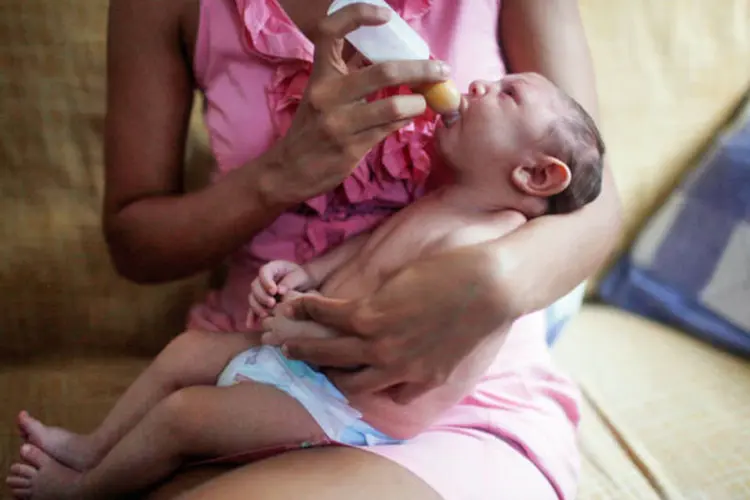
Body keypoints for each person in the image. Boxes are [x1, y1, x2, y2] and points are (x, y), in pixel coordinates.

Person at [7, 0, 622, 499]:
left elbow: (591, 207)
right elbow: (136, 246)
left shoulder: (481, 225)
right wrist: (281, 180)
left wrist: (492, 282)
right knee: (186, 387)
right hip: (274, 341)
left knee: (184, 420)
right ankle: (90, 457)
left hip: (419, 407)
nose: (484, 85)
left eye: (509, 94)